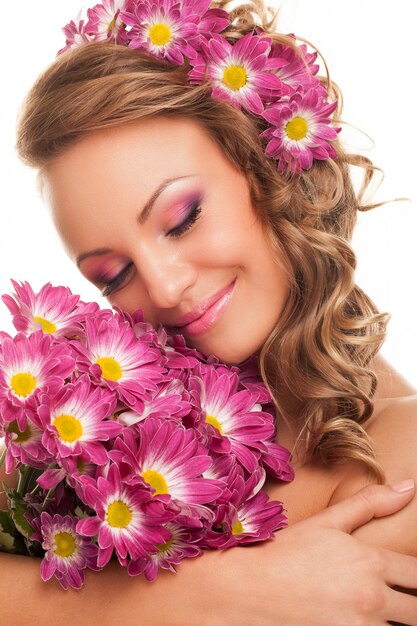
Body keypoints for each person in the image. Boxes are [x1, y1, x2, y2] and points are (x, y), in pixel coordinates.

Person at [1, 0, 417, 623]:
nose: (165, 290)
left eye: (182, 218)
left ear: (268, 163)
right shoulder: (84, 437)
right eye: (113, 275)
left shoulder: (400, 457)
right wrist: (198, 597)